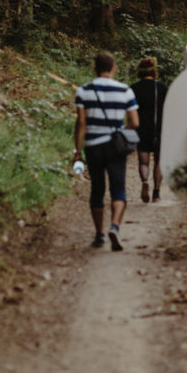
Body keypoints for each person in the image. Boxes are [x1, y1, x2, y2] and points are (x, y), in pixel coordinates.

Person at [74, 51, 140, 251]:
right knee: (118, 188)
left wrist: (77, 151)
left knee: (97, 189)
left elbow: (82, 123)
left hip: (93, 146)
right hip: (115, 146)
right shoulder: (125, 91)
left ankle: (99, 234)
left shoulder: (83, 91)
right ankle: (115, 227)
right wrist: (121, 132)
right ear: (114, 68)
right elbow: (135, 122)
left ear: (94, 69)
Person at [131, 57, 168, 203]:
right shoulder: (163, 87)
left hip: (141, 128)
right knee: (159, 161)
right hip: (159, 129)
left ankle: (144, 181)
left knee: (143, 162)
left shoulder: (134, 88)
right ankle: (156, 193)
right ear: (154, 72)